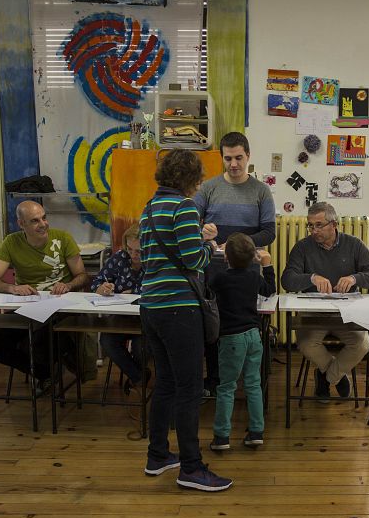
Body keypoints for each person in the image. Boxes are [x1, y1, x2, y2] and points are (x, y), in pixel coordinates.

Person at [139, 149, 231, 492]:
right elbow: (194, 260)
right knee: (190, 389)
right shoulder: (184, 207)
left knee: (165, 382)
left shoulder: (149, 208)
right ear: (191, 179)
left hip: (151, 306)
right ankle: (191, 468)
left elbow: (149, 257)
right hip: (179, 308)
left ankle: (158, 455)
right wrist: (210, 246)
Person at [194, 131, 277, 396]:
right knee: (213, 326)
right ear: (221, 157)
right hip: (213, 269)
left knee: (246, 326)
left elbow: (269, 232)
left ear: (248, 156)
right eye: (228, 158)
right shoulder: (208, 188)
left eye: (239, 158)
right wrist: (202, 230)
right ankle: (214, 379)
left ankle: (249, 380)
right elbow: (190, 222)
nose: (233, 164)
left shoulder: (261, 191)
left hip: (246, 270)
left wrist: (238, 244)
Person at [281, 202, 369, 401]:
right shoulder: (303, 247)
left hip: (347, 313)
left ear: (334, 224)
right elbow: (287, 280)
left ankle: (326, 378)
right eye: (311, 225)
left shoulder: (353, 244)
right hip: (313, 313)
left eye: (319, 225)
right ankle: (338, 376)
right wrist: (311, 278)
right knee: (307, 344)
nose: (314, 230)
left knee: (362, 345)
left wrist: (354, 278)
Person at [0, 200, 89, 382]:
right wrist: (12, 288)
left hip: (61, 306)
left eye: (44, 218)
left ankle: (51, 369)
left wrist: (68, 285)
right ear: (21, 224)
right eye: (35, 221)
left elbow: (83, 276)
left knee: (41, 340)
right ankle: (44, 373)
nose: (43, 224)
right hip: (28, 306)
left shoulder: (63, 238)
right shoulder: (11, 242)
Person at [206, 233, 276, 451]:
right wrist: (267, 265)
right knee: (253, 385)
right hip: (254, 336)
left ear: (226, 257)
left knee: (227, 387)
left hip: (231, 339)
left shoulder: (220, 279)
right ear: (253, 257)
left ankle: (221, 436)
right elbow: (269, 290)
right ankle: (256, 432)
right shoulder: (254, 278)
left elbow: (206, 290)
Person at [89, 223, 148, 391]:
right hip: (121, 316)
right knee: (107, 341)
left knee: (140, 348)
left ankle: (140, 382)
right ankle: (140, 379)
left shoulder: (155, 260)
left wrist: (134, 291)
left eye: (139, 251)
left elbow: (158, 288)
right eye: (130, 249)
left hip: (146, 319)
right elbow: (97, 282)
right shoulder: (120, 258)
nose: (133, 255)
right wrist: (102, 288)